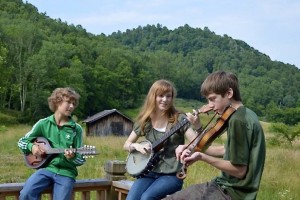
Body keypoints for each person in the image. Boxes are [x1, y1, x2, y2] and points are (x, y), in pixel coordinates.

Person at [163, 71, 266, 200]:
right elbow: (227, 151)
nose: (210, 105)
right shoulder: (245, 114)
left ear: (229, 93)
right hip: (223, 185)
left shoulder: (238, 121)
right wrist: (190, 147)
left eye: (212, 99)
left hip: (231, 193)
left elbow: (240, 171)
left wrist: (201, 157)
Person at [123, 79, 200, 200]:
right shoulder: (145, 121)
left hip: (171, 175)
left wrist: (197, 126)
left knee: (147, 198)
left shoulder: (179, 118)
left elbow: (197, 143)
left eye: (168, 96)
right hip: (148, 172)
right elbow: (126, 144)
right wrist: (136, 146)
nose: (165, 100)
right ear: (153, 97)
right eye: (161, 96)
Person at [17, 87, 85, 200]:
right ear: (57, 102)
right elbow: (21, 141)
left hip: (66, 173)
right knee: (26, 194)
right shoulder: (43, 123)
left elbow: (81, 158)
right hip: (46, 169)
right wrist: (32, 147)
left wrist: (72, 157)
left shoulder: (76, 129)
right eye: (68, 102)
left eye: (74, 104)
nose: (72, 106)